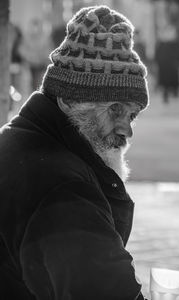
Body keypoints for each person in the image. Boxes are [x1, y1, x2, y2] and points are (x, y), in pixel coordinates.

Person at [0, 6, 149, 300]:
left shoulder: (15, 138)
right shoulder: (65, 190)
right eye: (115, 109)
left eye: (131, 116)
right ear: (69, 100)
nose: (126, 130)